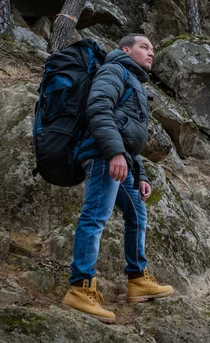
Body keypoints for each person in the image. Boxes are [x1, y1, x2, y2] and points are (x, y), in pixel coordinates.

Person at [61, 34, 173, 324]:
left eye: (153, 48)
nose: (151, 53)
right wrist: (113, 153)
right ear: (126, 49)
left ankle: (137, 280)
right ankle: (80, 287)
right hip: (102, 156)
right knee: (95, 216)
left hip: (120, 159)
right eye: (144, 47)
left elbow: (128, 134)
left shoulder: (134, 81)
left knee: (137, 213)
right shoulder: (113, 71)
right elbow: (99, 109)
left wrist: (141, 174)